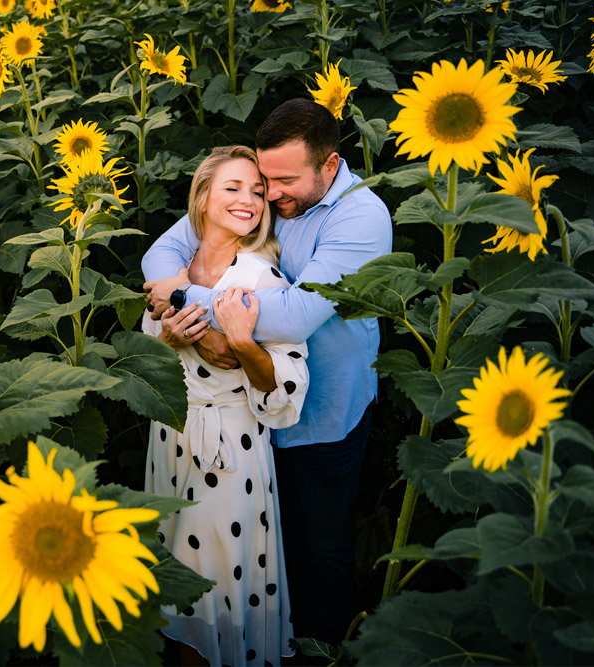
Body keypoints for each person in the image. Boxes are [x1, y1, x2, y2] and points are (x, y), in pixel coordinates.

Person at [142, 99, 393, 646]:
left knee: (320, 545)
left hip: (324, 410)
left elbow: (295, 315)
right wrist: (188, 307)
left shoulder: (361, 218)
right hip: (250, 418)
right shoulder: (274, 195)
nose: (269, 195)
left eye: (280, 183)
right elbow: (166, 249)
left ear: (329, 166)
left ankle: (324, 649)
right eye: (263, 181)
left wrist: (184, 299)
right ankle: (269, 638)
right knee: (265, 541)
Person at [142, 145, 308, 667]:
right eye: (233, 188)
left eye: (258, 192)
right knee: (170, 572)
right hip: (169, 436)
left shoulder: (259, 278)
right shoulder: (169, 272)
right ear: (204, 196)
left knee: (216, 581)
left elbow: (287, 389)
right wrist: (169, 340)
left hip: (230, 449)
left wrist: (243, 346)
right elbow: (143, 360)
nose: (249, 200)